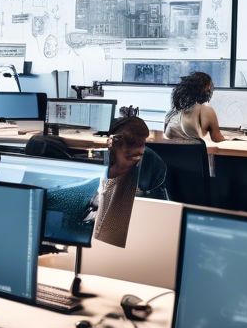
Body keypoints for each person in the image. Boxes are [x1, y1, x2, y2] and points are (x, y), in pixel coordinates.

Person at [93, 112, 151, 246]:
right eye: (129, 156)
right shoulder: (104, 163)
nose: (135, 160)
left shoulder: (141, 174)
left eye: (137, 156)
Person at [163, 72, 225, 142]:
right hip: (193, 152)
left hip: (171, 152)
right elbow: (217, 138)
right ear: (206, 89)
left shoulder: (172, 113)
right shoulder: (206, 111)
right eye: (210, 87)